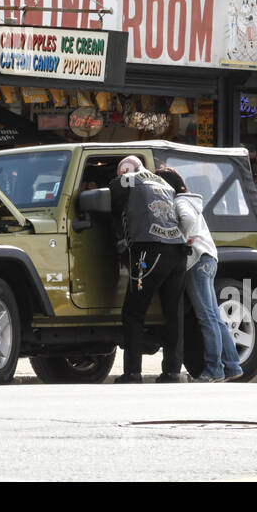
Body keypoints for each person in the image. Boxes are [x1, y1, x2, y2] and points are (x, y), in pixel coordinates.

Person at [157, 166, 243, 383]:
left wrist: (182, 239)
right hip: (208, 259)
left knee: (207, 318)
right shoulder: (189, 199)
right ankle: (232, 365)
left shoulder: (180, 202)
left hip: (197, 260)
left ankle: (214, 370)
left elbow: (186, 220)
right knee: (214, 317)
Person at [108, 155, 187, 383]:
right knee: (174, 313)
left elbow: (109, 196)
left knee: (133, 312)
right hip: (177, 250)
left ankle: (133, 373)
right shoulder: (164, 183)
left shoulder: (128, 179)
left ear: (124, 169)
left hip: (148, 250)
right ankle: (172, 372)